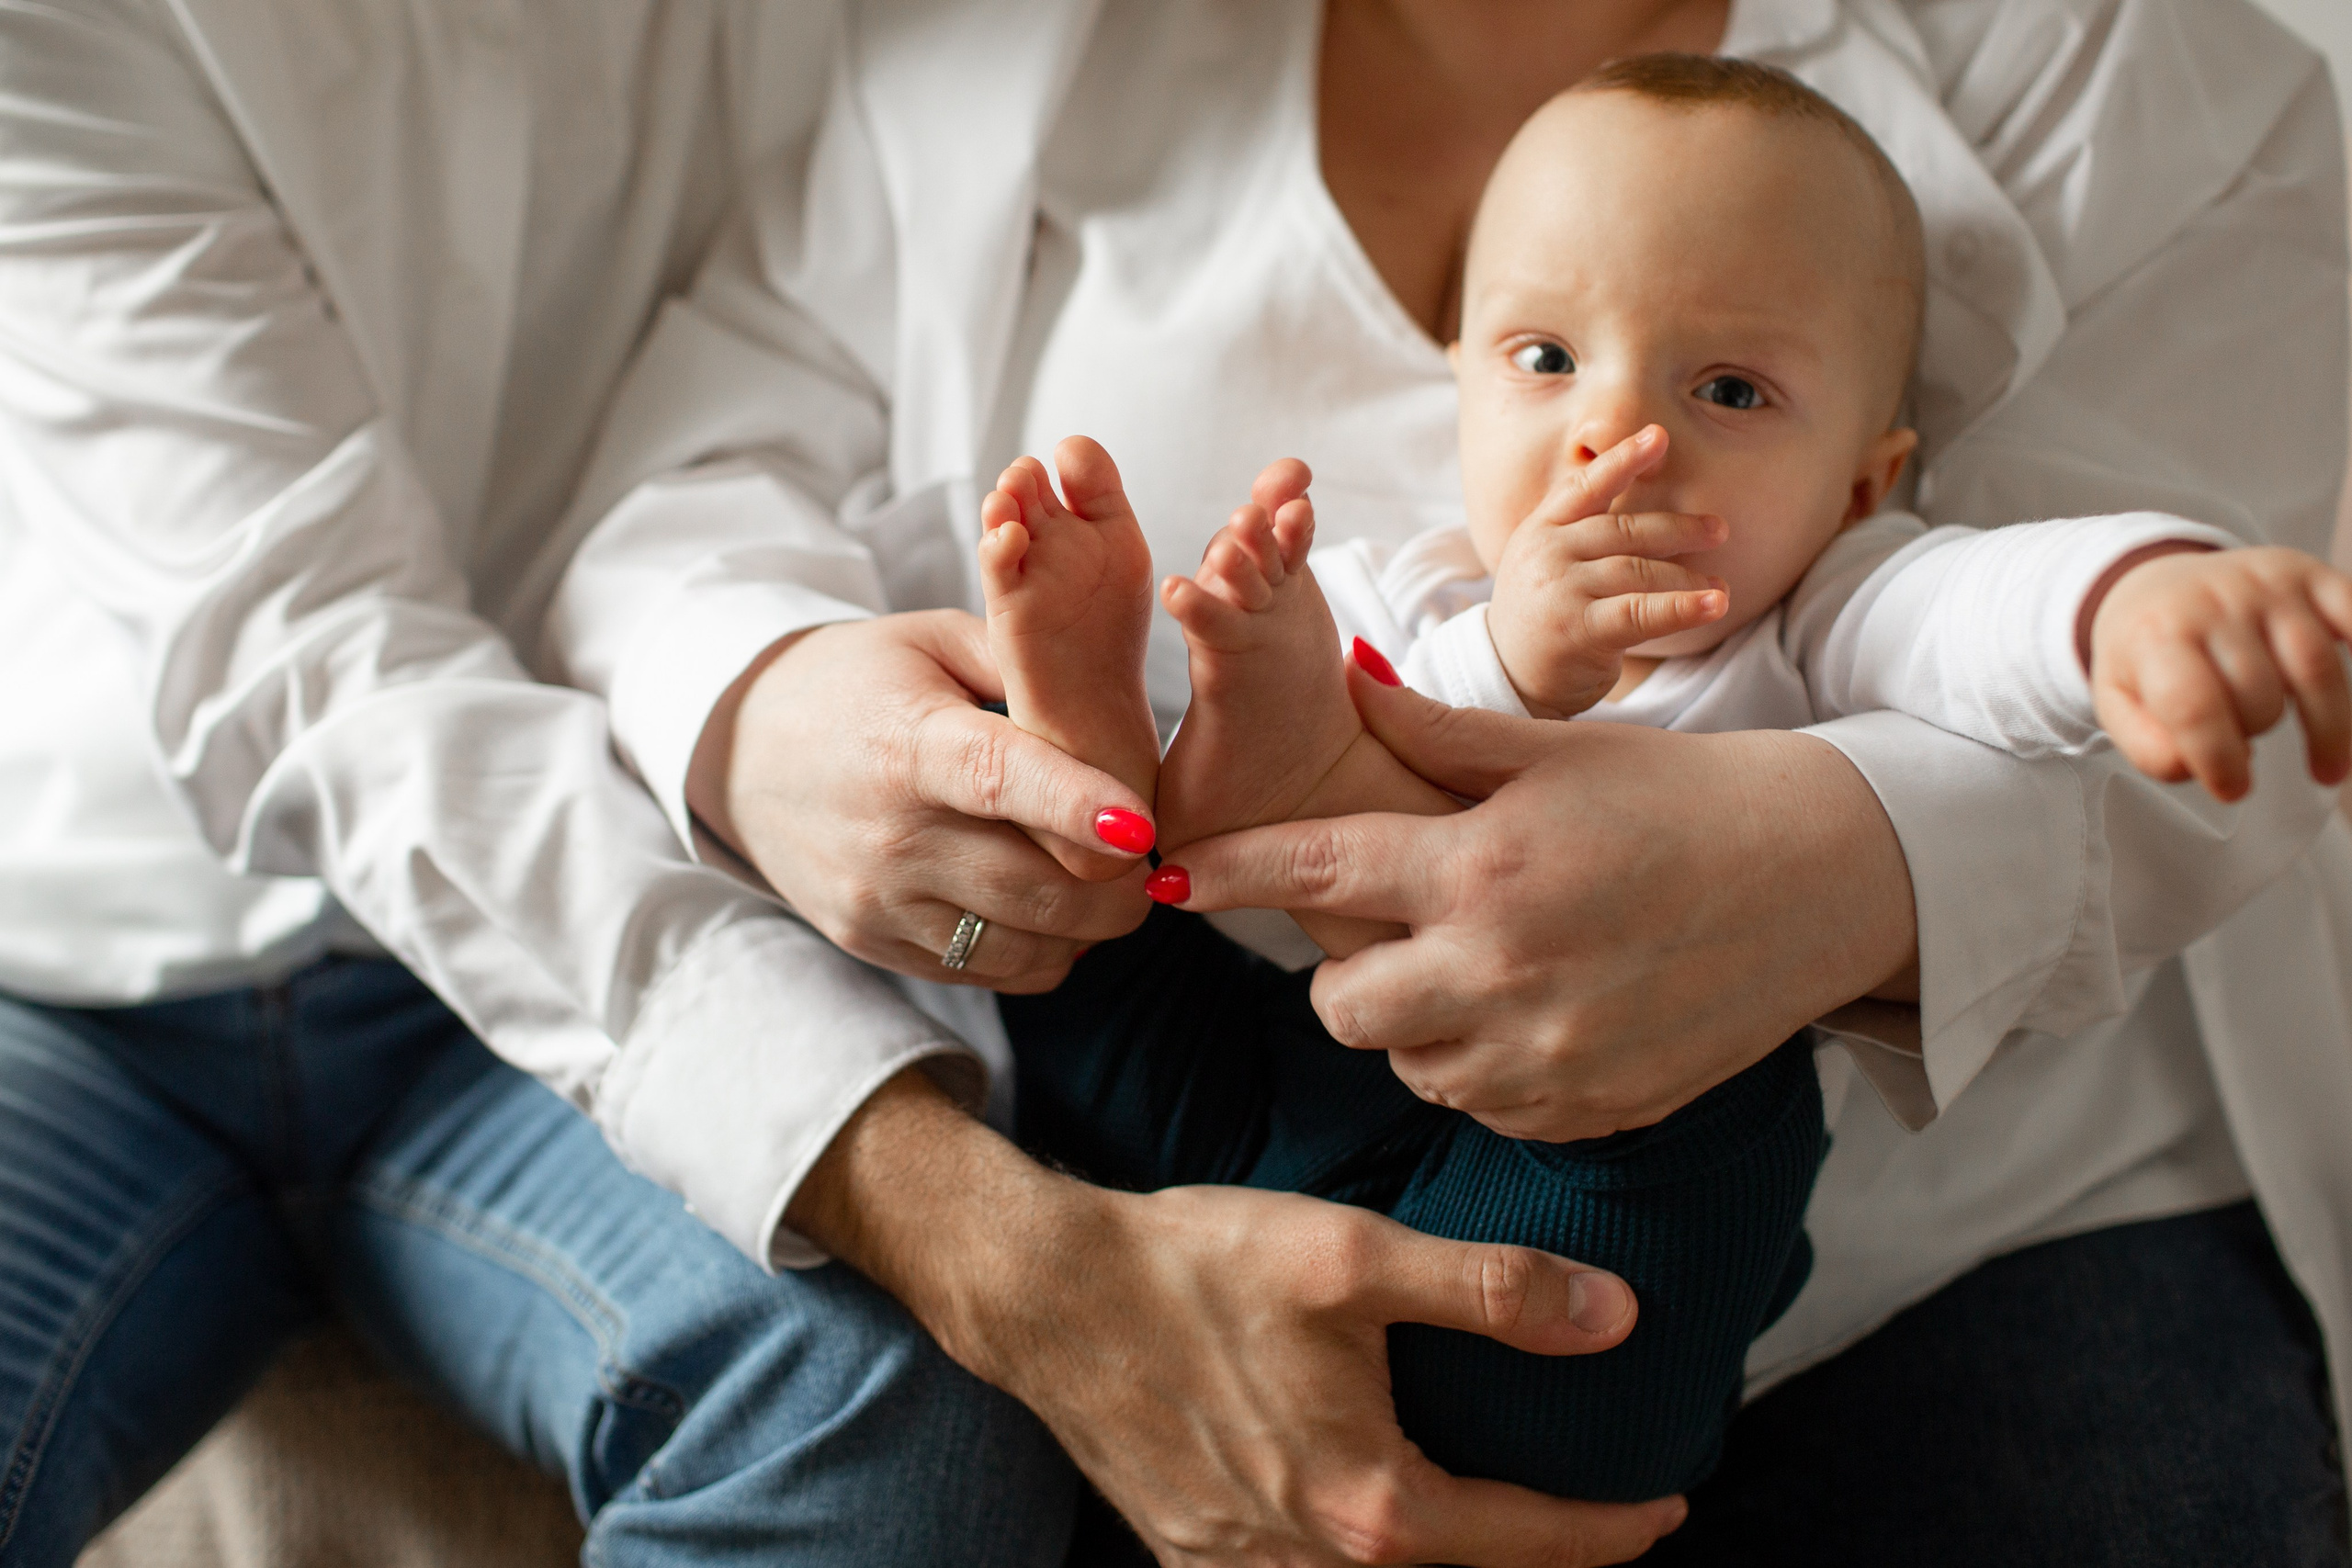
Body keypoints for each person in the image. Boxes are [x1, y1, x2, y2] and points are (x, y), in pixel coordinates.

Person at [553, 0, 2351, 1560]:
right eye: (1545, 362)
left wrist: (2134, 607)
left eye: (1729, 391)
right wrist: (811, 709)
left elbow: (2003, 615)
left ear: (1867, 476)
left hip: (1786, 1184)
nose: (1615, 433)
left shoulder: (1833, 603)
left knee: (1629, 1231)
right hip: (1253, 1077)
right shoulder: (1399, 567)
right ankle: (1085, 734)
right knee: (1102, 914)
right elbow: (686, 497)